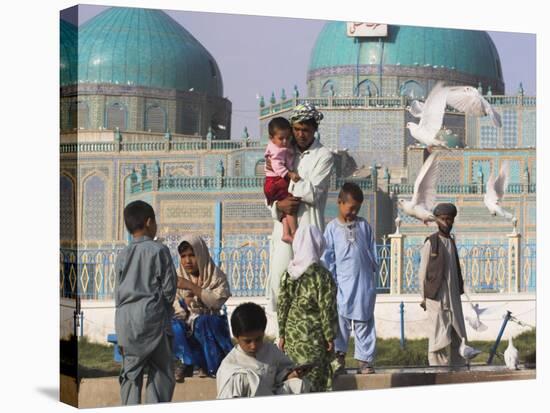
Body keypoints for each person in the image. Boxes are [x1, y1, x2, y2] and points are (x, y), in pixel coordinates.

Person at [266, 103, 334, 313]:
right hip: (283, 229)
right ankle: (281, 339)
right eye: (296, 129)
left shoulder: (324, 156)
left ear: (314, 129)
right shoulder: (284, 150)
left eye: (305, 129)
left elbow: (313, 193)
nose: (300, 134)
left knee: (307, 290)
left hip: (308, 230)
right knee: (279, 283)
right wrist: (279, 205)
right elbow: (269, 196)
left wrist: (287, 180)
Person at [114, 200, 177, 405]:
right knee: (162, 372)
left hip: (126, 322)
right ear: (149, 222)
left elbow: (117, 294)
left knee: (131, 375)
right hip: (152, 318)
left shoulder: (122, 255)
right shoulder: (159, 251)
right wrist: (164, 311)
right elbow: (169, 290)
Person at [321, 183, 379, 375]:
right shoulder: (331, 229)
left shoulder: (364, 226)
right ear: (340, 203)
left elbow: (372, 252)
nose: (353, 212)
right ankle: (339, 359)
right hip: (342, 288)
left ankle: (365, 361)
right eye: (350, 207)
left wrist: (372, 276)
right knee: (340, 324)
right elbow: (327, 258)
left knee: (364, 323)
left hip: (364, 286)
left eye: (357, 208)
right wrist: (331, 284)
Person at [277, 225, 338, 392]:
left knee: (295, 381)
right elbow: (327, 309)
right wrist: (330, 336)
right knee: (314, 382)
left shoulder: (288, 273)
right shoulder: (322, 275)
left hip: (292, 338)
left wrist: (282, 334)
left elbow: (282, 306)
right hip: (315, 338)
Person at [216, 302, 311, 398]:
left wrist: (292, 374)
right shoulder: (230, 367)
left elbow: (281, 375)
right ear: (236, 338)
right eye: (247, 341)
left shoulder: (271, 350)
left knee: (299, 384)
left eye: (258, 339)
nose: (253, 346)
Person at [172, 235, 233, 380]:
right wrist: (183, 309)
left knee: (203, 321)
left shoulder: (215, 276)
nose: (187, 261)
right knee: (174, 326)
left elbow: (216, 301)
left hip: (210, 324)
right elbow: (172, 303)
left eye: (192, 255)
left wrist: (191, 286)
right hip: (186, 322)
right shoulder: (176, 276)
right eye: (183, 256)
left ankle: (209, 366)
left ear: (201, 254)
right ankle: (185, 363)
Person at [418, 203, 467, 366]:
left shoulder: (451, 242)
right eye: (443, 219)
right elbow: (422, 273)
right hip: (435, 297)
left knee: (458, 333)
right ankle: (438, 371)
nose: (446, 223)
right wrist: (424, 297)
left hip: (452, 296)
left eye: (449, 219)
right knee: (438, 335)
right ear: (437, 221)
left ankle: (458, 368)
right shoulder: (431, 242)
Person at [264, 117, 301, 243]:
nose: (285, 141)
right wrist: (290, 174)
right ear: (271, 137)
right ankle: (295, 232)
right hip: (276, 182)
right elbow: (277, 166)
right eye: (281, 139)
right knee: (290, 204)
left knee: (285, 209)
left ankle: (286, 233)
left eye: (288, 138)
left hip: (272, 183)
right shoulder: (277, 150)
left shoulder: (279, 146)